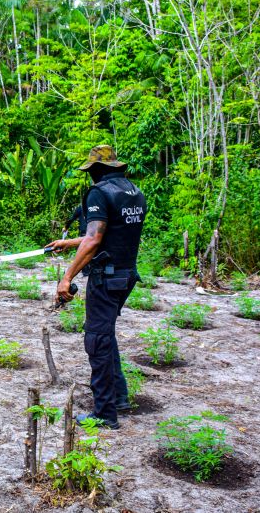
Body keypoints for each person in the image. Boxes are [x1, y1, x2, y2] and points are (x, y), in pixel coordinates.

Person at [46, 145, 147, 429]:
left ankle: (104, 413)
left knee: (97, 341)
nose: (91, 177)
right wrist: (68, 242)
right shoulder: (133, 193)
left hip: (105, 277)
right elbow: (105, 234)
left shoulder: (99, 193)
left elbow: (93, 240)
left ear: (98, 171)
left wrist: (67, 278)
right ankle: (119, 397)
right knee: (106, 335)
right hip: (126, 275)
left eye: (91, 171)